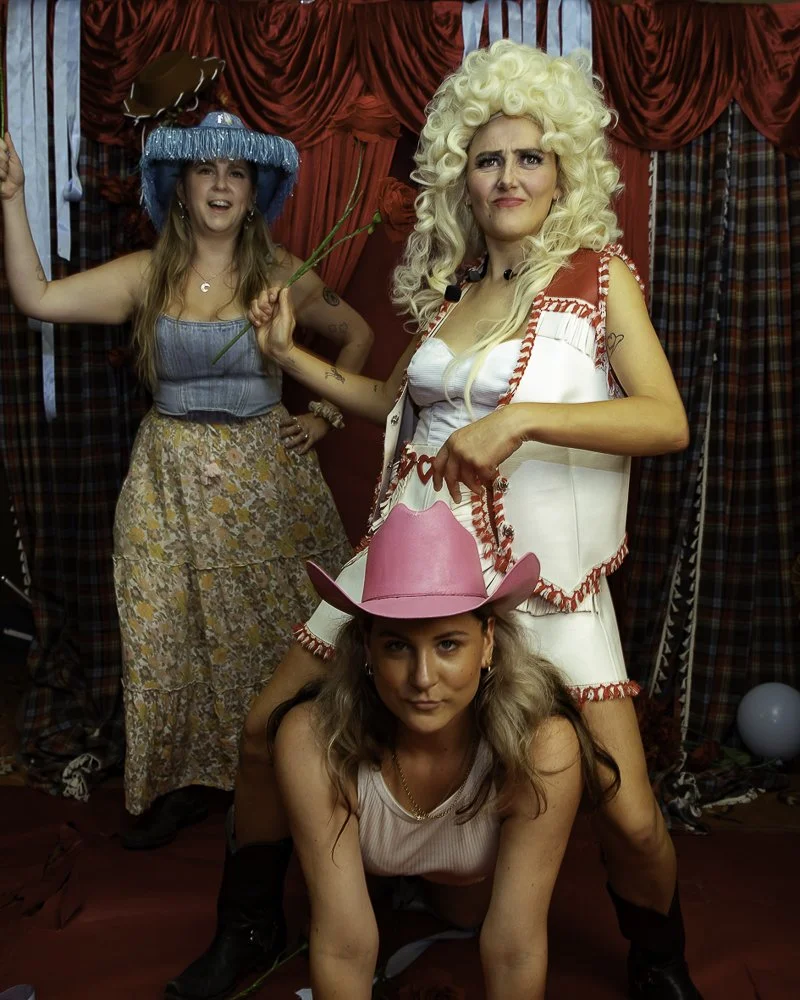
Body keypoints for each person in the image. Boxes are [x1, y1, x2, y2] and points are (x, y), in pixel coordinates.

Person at [170, 42, 700, 1000]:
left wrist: (524, 418)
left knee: (626, 813)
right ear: (464, 170)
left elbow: (666, 420)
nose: (507, 176)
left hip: (541, 580)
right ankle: (247, 929)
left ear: (565, 167)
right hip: (409, 563)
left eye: (529, 156)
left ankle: (662, 964)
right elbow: (392, 403)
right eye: (488, 157)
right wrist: (293, 357)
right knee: (264, 727)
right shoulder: (457, 290)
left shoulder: (595, 276)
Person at [0, 110, 373, 848]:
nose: (222, 184)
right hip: (167, 477)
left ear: (255, 190)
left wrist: (327, 416)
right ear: (180, 186)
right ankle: (185, 783)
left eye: (237, 172)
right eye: (207, 169)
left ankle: (282, 778)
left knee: (278, 635)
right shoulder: (147, 274)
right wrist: (11, 198)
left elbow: (358, 336)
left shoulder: (280, 273)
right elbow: (37, 297)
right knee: (166, 632)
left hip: (264, 482)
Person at [271, 500, 619, 999]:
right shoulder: (311, 739)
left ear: (488, 642)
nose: (423, 679)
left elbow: (515, 945)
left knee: (467, 910)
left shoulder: (543, 745)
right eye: (397, 646)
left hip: (468, 885)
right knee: (353, 910)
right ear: (366, 648)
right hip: (360, 875)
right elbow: (344, 945)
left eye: (449, 644)